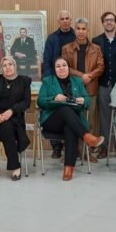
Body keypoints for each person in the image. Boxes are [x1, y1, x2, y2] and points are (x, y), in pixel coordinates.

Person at [37, 57, 104, 181]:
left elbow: (87, 100)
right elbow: (40, 101)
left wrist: (83, 101)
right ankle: (87, 136)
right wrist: (54, 98)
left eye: (64, 65)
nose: (61, 68)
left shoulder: (77, 81)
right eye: (58, 66)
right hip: (52, 121)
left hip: (72, 122)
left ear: (68, 68)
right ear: (54, 69)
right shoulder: (48, 81)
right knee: (65, 108)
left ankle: (69, 168)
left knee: (70, 127)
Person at [61, 18, 105, 137]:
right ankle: (74, 147)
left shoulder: (96, 48)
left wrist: (90, 76)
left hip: (91, 89)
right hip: (72, 90)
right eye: (78, 28)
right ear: (75, 30)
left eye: (83, 29)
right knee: (73, 122)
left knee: (89, 122)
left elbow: (101, 66)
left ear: (88, 31)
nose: (81, 31)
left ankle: (88, 148)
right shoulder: (66, 48)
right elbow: (64, 67)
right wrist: (82, 76)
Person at [92, 11, 116, 159]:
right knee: (104, 118)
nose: (109, 22)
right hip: (103, 84)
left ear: (115, 22)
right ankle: (104, 148)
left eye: (111, 20)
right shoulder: (96, 41)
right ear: (102, 23)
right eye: (106, 20)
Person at [41, 10, 75, 158]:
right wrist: (49, 80)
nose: (65, 21)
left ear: (71, 20)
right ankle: (56, 147)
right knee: (55, 108)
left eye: (67, 18)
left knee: (71, 109)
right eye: (62, 19)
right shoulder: (52, 38)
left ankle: (71, 146)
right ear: (58, 21)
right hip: (54, 79)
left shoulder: (76, 36)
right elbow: (47, 60)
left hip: (71, 79)